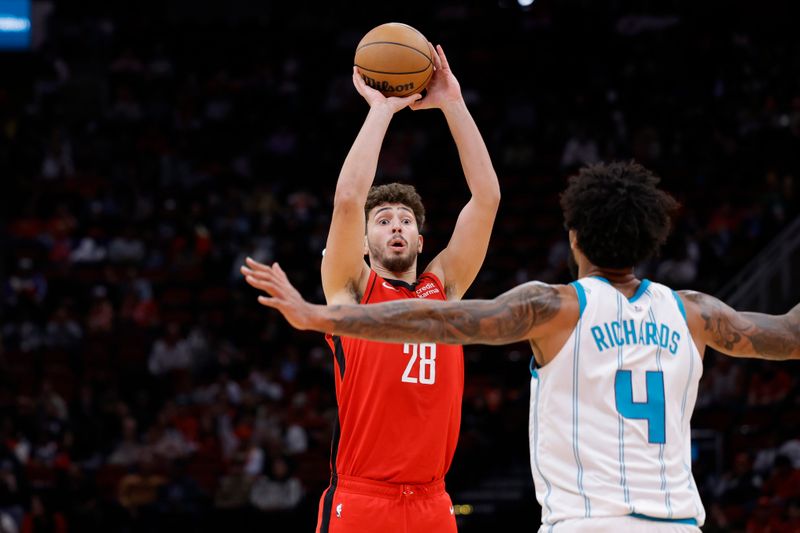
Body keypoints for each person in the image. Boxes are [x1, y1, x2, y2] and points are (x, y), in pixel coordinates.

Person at [243, 161, 800, 532]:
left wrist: (319, 316)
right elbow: (790, 336)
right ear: (652, 237)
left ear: (574, 238)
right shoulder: (698, 312)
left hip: (583, 524)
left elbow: (440, 323)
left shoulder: (552, 308)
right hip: (679, 523)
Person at [244, 43, 500, 533]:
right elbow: (347, 199)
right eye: (383, 220)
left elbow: (486, 198)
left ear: (422, 240)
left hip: (432, 501)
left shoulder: (442, 288)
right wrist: (382, 110)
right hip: (363, 499)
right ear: (364, 243)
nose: (396, 225)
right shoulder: (351, 290)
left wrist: (453, 103)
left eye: (405, 219)